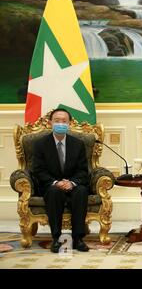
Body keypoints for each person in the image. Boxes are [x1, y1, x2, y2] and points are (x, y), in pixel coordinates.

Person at [32, 108, 90, 253]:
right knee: (54, 192)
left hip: (73, 183)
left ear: (69, 124)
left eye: (64, 121)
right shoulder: (40, 144)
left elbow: (83, 170)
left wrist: (71, 183)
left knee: (81, 191)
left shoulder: (78, 144)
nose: (60, 124)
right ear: (50, 122)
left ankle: (78, 238)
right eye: (57, 121)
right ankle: (56, 238)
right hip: (51, 185)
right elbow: (38, 170)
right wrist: (56, 183)